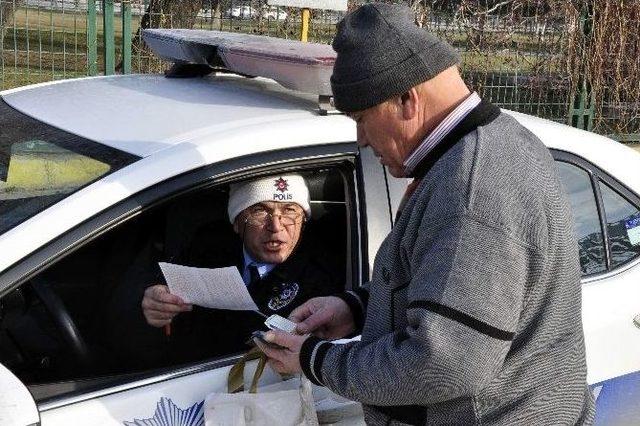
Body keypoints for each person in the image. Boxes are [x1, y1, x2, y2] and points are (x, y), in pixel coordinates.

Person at [258, 4, 596, 425]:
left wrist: (316, 360)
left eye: (361, 119)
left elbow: (444, 364)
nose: (361, 140)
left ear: (406, 99)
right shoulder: (493, 144)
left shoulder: (472, 189)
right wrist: (357, 307)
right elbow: (447, 284)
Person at [140, 174, 342, 363]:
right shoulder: (208, 245)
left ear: (303, 221)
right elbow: (162, 282)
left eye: (289, 210)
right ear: (237, 222)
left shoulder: (322, 272)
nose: (276, 226)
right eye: (260, 211)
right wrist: (154, 299)